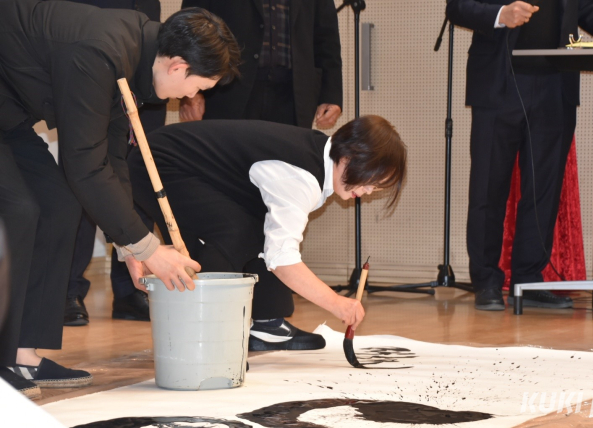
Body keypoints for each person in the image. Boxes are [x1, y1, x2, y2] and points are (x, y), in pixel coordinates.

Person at [0, 0, 240, 398]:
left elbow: (111, 158)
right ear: (179, 66)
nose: (190, 96)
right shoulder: (100, 53)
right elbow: (82, 164)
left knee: (59, 204)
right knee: (20, 209)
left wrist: (133, 248)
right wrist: (149, 248)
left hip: (8, 112)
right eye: (198, 88)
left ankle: (21, 354)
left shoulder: (134, 55)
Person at [127, 116, 406, 351]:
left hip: (184, 164)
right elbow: (282, 259)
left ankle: (265, 325)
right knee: (231, 231)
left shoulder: (318, 158)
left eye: (377, 189)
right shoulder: (300, 177)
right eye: (371, 181)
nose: (369, 192)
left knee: (257, 227)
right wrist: (336, 303)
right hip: (159, 164)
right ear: (349, 157)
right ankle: (209, 341)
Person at [445, 0, 593, 310]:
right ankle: (487, 280)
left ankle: (528, 280)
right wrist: (501, 14)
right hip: (498, 82)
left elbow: (587, 9)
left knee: (543, 191)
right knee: (489, 188)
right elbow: (458, 6)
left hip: (556, 86)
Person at [62, 0, 168, 327]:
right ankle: (68, 289)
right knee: (87, 177)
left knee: (135, 179)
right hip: (97, 66)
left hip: (145, 77)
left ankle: (130, 288)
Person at [178, 0, 343, 130]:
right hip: (227, 91)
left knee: (287, 169)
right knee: (227, 168)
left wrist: (330, 95)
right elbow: (192, 25)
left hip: (292, 96)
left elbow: (326, 37)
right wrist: (191, 94)